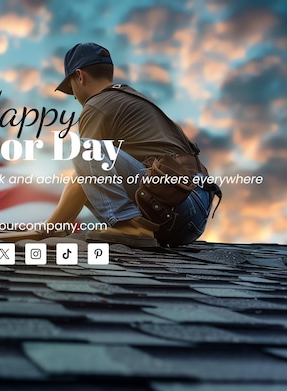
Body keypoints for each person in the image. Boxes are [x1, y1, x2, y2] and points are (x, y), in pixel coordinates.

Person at [46, 42, 219, 247]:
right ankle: (129, 224)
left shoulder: (97, 105)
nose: (74, 96)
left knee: (84, 148)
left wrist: (48, 229)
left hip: (179, 204)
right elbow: (87, 178)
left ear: (80, 76)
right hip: (190, 213)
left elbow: (83, 174)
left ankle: (126, 224)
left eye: (71, 87)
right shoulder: (127, 98)